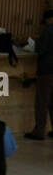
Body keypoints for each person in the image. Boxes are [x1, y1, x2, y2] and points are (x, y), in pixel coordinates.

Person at [24, 8, 53, 140]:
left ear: (49, 19)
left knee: (42, 101)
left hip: (46, 71)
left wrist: (33, 44)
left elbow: (41, 49)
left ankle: (39, 131)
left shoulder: (48, 30)